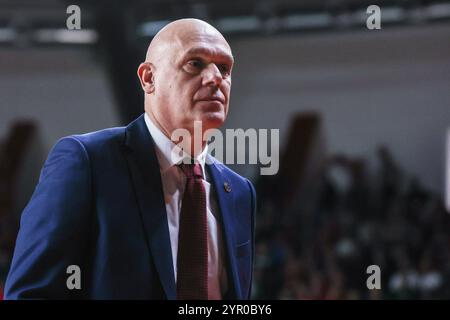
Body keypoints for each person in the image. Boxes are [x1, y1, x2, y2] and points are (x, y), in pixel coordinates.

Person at [4, 18, 256, 300]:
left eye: (224, 67)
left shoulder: (240, 191)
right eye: (195, 63)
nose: (215, 78)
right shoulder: (87, 162)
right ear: (149, 78)